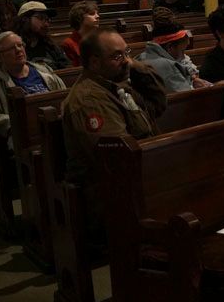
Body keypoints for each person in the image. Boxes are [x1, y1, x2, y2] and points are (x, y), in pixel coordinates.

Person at [62, 28, 158, 200]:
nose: (127, 61)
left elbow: (157, 105)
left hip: (136, 175)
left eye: (127, 52)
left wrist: (134, 66)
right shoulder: (90, 99)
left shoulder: (115, 84)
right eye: (117, 56)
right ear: (94, 63)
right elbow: (117, 158)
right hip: (110, 192)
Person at [0, 31, 64, 138]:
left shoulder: (43, 70)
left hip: (56, 125)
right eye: (11, 48)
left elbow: (64, 95)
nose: (18, 50)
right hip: (26, 136)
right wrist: (15, 122)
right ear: (0, 57)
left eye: (20, 45)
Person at [139, 9, 207, 92]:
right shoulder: (166, 67)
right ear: (170, 47)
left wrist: (192, 80)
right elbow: (186, 98)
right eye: (182, 51)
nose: (183, 56)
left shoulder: (143, 56)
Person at [14, 0, 68, 69]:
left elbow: (65, 68)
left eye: (47, 19)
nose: (46, 24)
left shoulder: (51, 46)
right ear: (25, 19)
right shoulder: (16, 48)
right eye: (41, 18)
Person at [61, 1, 100, 67]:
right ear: (79, 18)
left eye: (97, 13)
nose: (97, 16)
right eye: (92, 14)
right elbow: (73, 71)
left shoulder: (101, 38)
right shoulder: (68, 44)